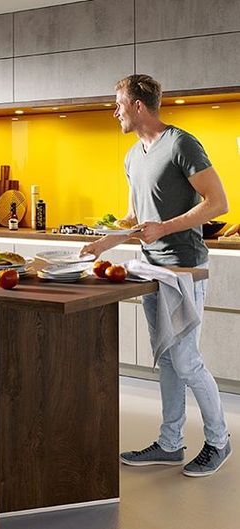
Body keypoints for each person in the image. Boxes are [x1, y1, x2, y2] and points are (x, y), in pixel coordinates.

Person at [81, 74, 231, 477]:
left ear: (138, 106)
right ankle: (170, 443)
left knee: (186, 360)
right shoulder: (132, 156)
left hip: (185, 269)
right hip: (152, 270)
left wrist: (164, 228)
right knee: (166, 359)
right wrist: (104, 243)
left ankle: (219, 440)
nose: (115, 112)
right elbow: (135, 218)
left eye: (118, 105)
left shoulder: (181, 144)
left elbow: (219, 203)